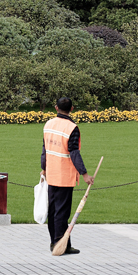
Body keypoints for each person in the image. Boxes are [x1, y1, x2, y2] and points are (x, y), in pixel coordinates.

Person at [40, 96, 94, 255]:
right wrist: (85, 174)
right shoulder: (72, 128)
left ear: (56, 108)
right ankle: (59, 243)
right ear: (72, 108)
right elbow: (74, 153)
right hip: (64, 176)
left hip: (51, 173)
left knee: (53, 211)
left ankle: (58, 242)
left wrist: (44, 169)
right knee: (61, 213)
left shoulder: (48, 124)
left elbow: (44, 150)